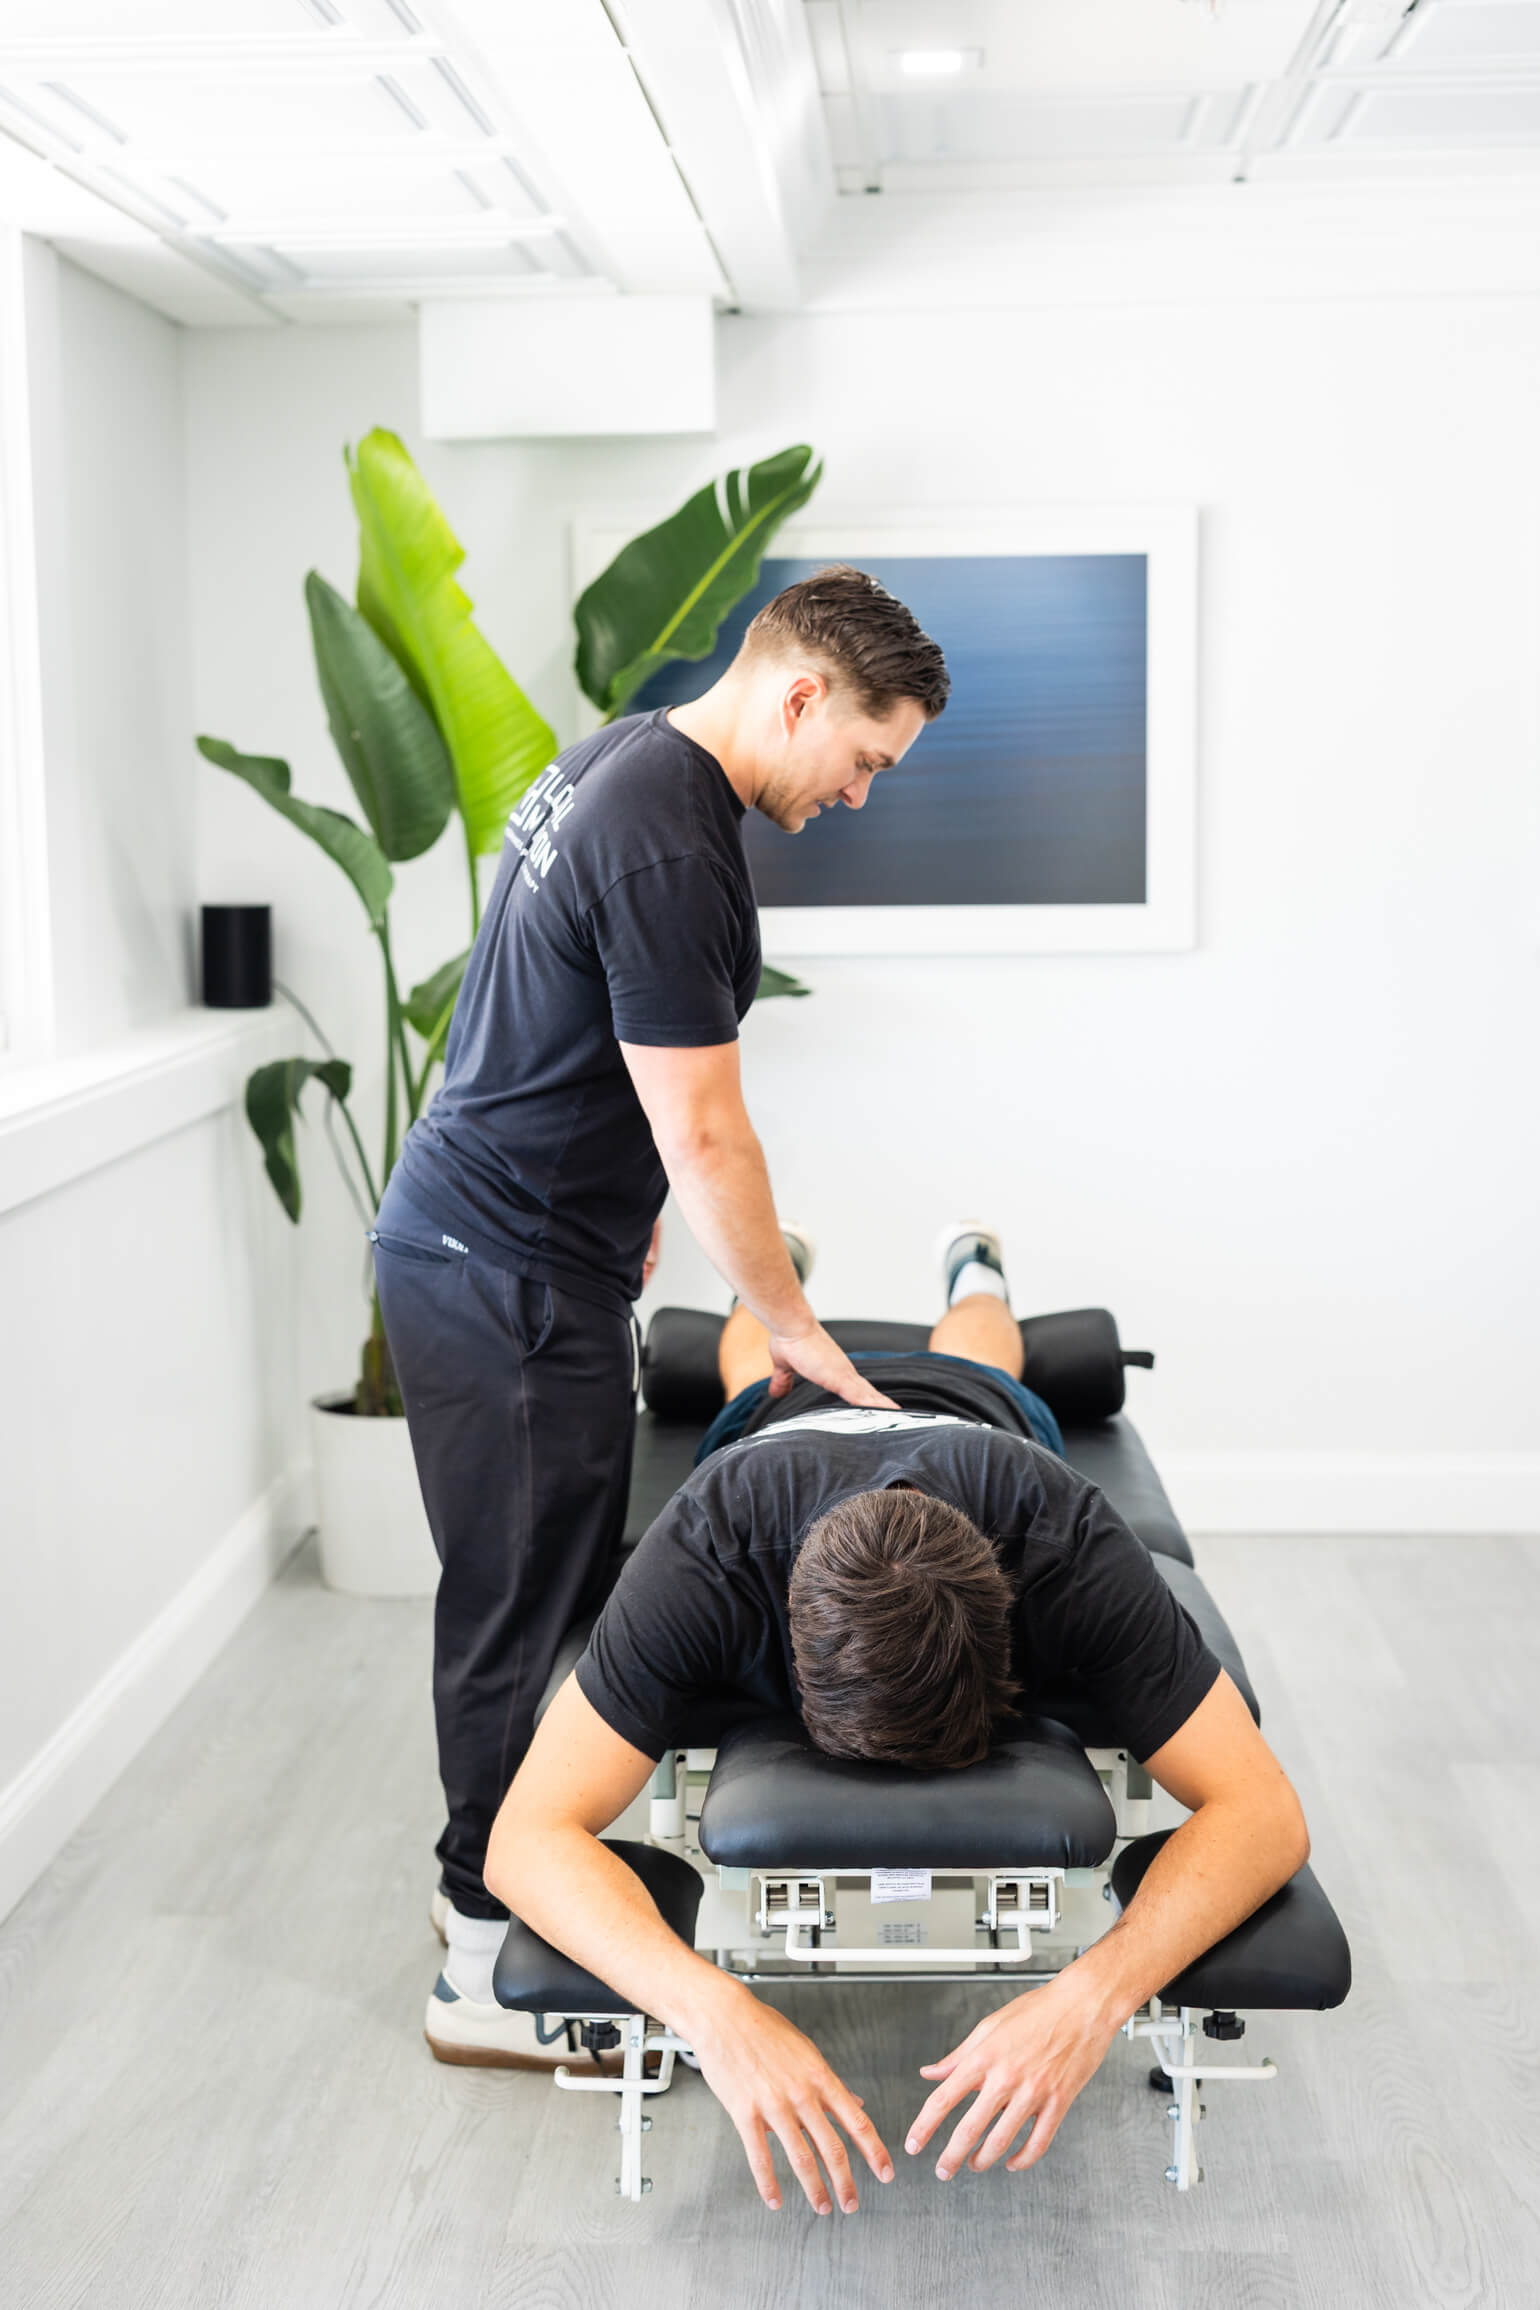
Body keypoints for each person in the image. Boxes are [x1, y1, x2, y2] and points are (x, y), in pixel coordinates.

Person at [369, 565, 951, 2064]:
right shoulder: (670, 841)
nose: (862, 794)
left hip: (503, 1249)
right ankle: (489, 1970)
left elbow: (546, 1023)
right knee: (523, 1616)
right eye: (866, 759)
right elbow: (705, 1131)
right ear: (802, 694)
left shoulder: (621, 759)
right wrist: (792, 1320)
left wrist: (617, 1228)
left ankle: (482, 1897)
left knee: (539, 1594)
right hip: (499, 1275)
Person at [483, 1224, 1312, 2213]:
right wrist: (715, 2010)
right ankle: (773, 1262)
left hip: (978, 1424)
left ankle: (977, 1267)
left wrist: (1093, 1995)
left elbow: (1265, 1811)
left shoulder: (1063, 1539)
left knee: (976, 1354)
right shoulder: (710, 1549)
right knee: (763, 1359)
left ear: (1012, 1621)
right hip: (776, 1432)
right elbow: (521, 1843)